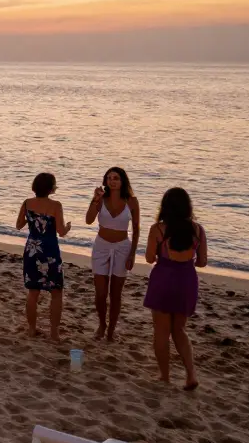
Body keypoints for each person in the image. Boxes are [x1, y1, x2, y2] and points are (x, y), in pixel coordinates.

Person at [143, 187, 206, 391]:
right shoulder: (198, 230)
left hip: (163, 278)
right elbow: (202, 262)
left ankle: (165, 376)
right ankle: (191, 374)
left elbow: (149, 258)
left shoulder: (158, 229)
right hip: (186, 279)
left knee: (161, 331)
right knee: (179, 330)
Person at [85, 166, 141, 341]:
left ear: (123, 180)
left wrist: (132, 254)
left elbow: (136, 229)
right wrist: (95, 200)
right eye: (109, 178)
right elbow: (88, 220)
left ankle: (111, 329)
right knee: (101, 293)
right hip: (101, 247)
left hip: (123, 248)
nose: (112, 181)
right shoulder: (101, 199)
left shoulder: (132, 201)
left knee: (116, 294)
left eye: (116, 178)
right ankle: (102, 324)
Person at [15, 173, 71, 341]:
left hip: (32, 249)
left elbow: (18, 225)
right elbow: (61, 231)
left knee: (33, 291)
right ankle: (54, 332)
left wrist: (32, 218)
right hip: (49, 249)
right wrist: (68, 227)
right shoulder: (56, 205)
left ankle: (32, 329)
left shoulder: (27, 203)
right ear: (51, 188)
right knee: (56, 291)